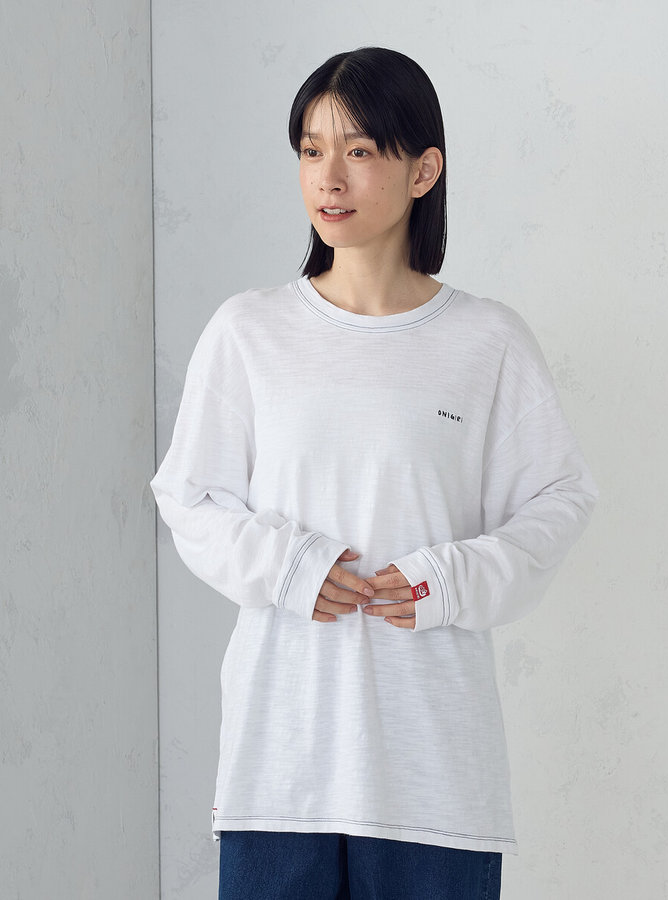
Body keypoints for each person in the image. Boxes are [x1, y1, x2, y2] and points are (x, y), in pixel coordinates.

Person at [151, 46, 598, 900]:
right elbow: (188, 496)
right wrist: (289, 567)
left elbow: (559, 501)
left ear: (423, 169)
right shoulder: (249, 332)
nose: (329, 176)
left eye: (358, 150)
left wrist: (449, 579)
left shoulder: (488, 341)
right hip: (278, 772)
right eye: (311, 150)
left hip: (435, 779)